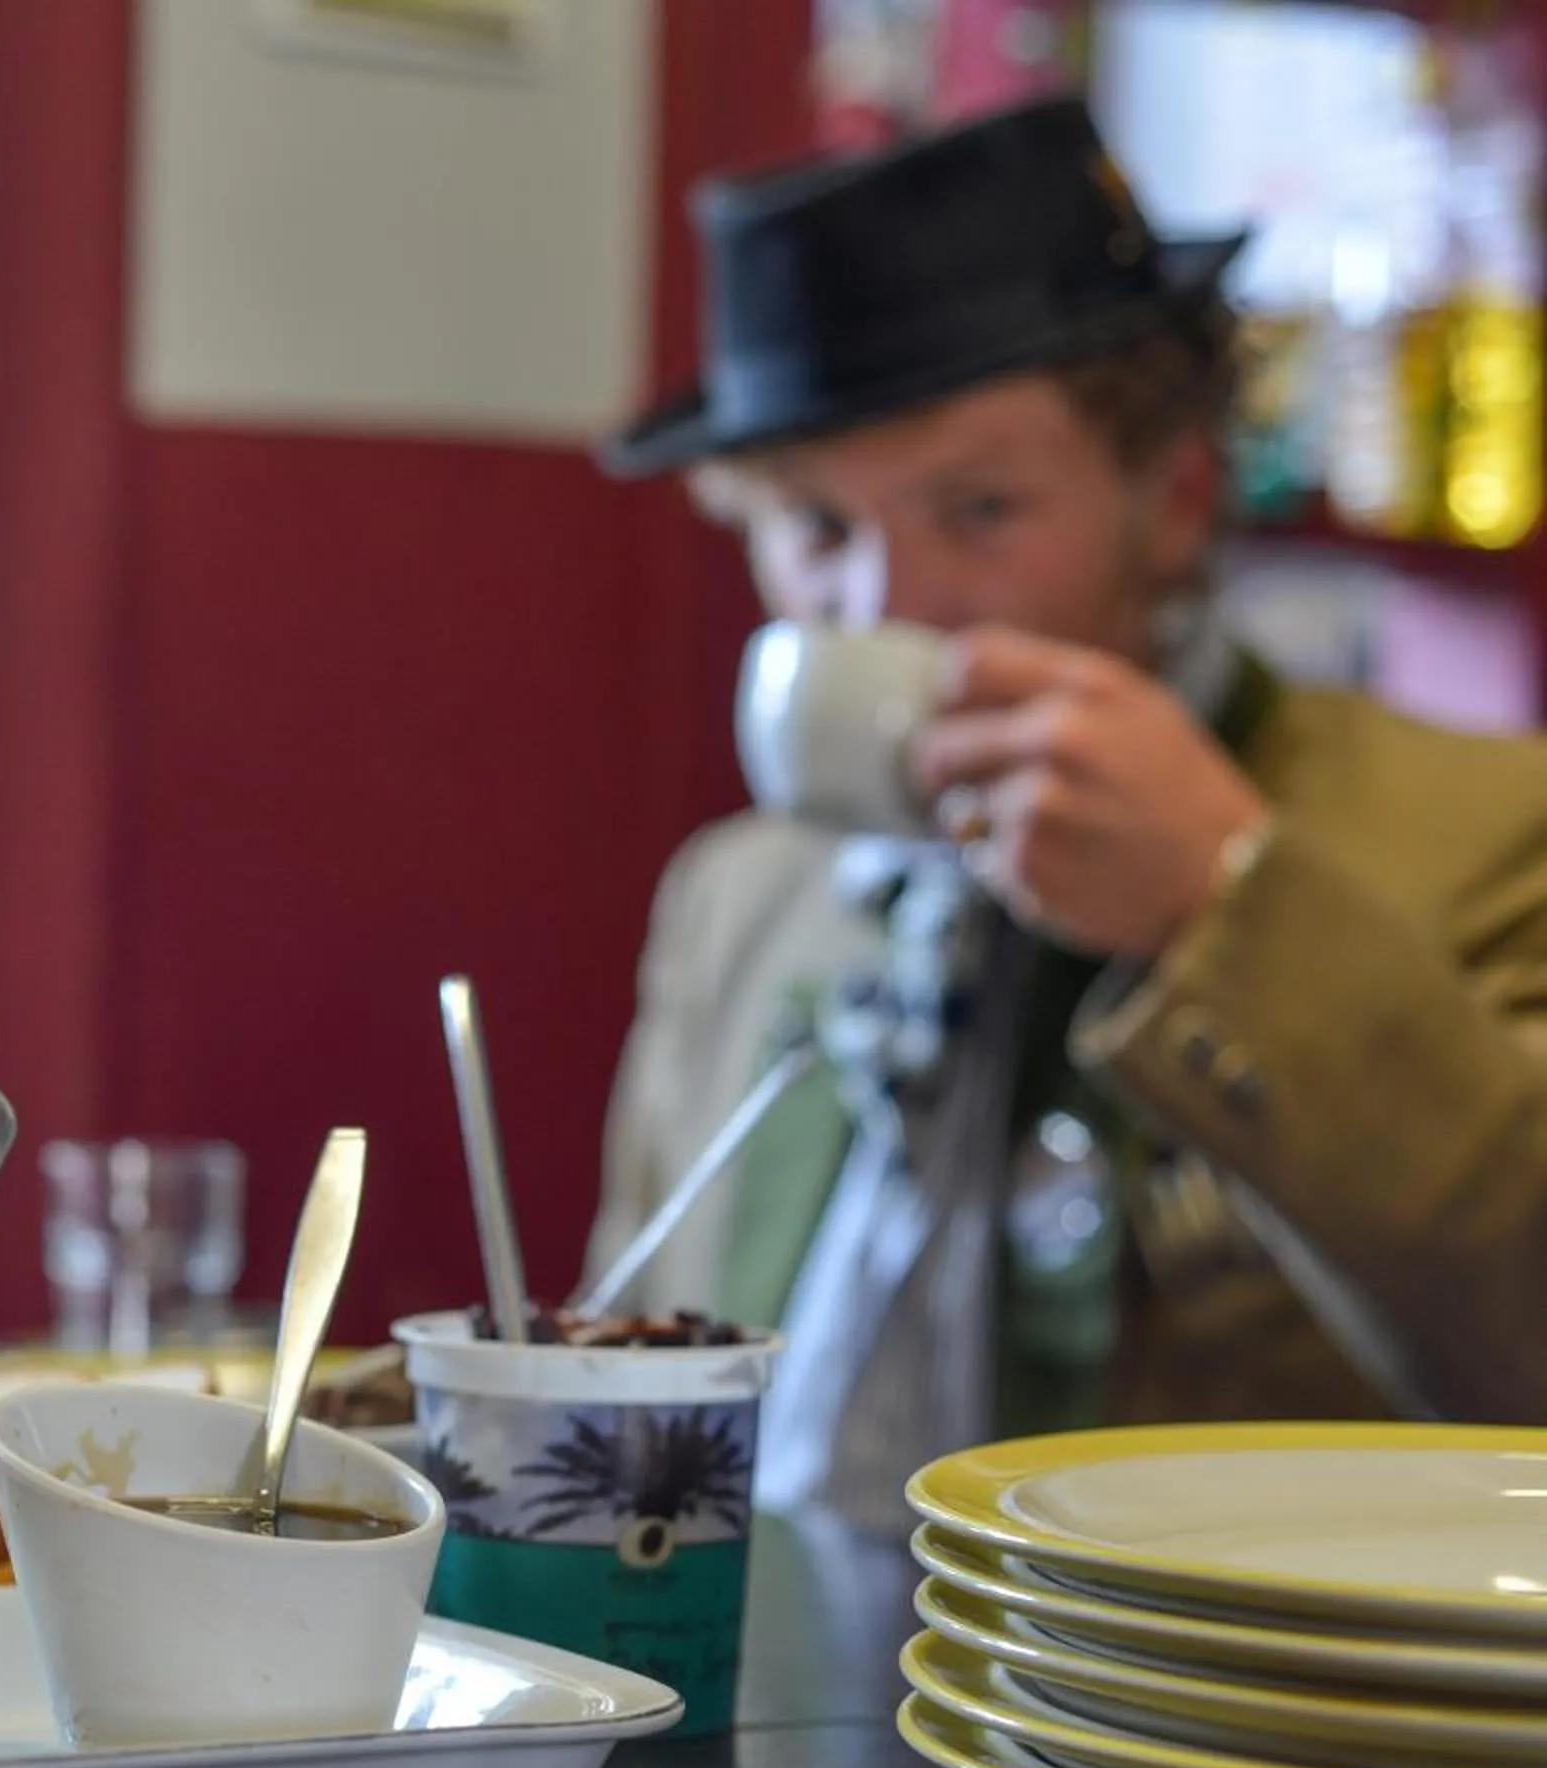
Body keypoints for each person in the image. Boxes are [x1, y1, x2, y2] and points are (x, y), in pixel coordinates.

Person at [590, 96, 1547, 1526]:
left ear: (1170, 503)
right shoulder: (742, 897)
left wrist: (1224, 905)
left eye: (977, 510)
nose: (884, 610)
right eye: (820, 531)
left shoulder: (1480, 836)